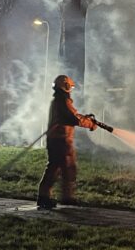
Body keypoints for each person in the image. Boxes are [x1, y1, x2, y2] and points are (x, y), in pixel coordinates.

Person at [37, 75, 97, 209]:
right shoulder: (62, 101)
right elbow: (74, 119)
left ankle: (66, 197)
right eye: (70, 87)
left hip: (62, 140)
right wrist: (90, 124)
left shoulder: (62, 101)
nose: (71, 89)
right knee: (54, 169)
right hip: (60, 140)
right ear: (67, 86)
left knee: (68, 168)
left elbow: (74, 115)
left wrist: (86, 118)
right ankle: (44, 197)